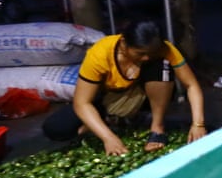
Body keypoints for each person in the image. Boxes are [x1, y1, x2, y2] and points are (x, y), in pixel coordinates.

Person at [42, 20, 207, 155]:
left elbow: (191, 85)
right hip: (109, 99)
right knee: (56, 128)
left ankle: (157, 127)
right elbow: (82, 103)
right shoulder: (100, 53)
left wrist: (198, 124)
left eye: (151, 52)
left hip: (151, 95)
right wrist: (108, 138)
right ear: (123, 43)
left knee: (159, 62)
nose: (146, 57)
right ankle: (111, 121)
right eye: (139, 53)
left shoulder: (163, 50)